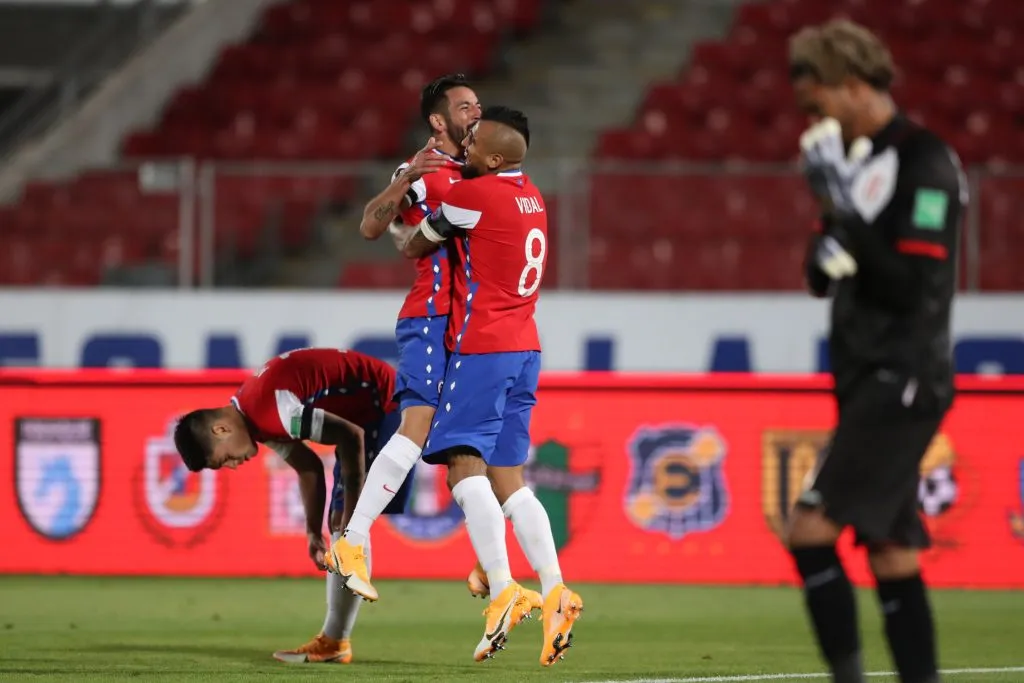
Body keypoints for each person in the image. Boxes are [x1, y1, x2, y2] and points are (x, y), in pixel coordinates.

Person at [328, 106, 583, 667]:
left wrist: (406, 213)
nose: (463, 149)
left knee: (462, 466)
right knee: (511, 482)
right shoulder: (533, 195)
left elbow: (415, 244)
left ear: (494, 159)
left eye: (474, 146)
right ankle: (557, 588)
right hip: (527, 347)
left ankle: (502, 589)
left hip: (484, 346)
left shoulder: (478, 196)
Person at [787, 19, 965, 683]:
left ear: (855, 86)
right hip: (867, 379)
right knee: (891, 549)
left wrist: (847, 222)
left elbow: (912, 284)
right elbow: (818, 274)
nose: (814, 122)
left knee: (809, 531)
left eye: (818, 104)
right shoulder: (856, 166)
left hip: (905, 375)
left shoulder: (923, 162)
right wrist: (831, 232)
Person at [173, 347, 412, 665]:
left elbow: (351, 436)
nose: (233, 466)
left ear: (221, 430)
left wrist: (354, 527)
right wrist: (313, 532)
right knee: (340, 521)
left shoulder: (272, 412)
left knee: (345, 521)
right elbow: (308, 467)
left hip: (384, 406)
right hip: (366, 413)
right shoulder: (253, 417)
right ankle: (334, 641)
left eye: (224, 459)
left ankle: (334, 642)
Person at [342, 73, 482, 576]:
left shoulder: (481, 170)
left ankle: (492, 565)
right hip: (431, 314)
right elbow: (371, 226)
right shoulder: (421, 171)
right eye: (465, 107)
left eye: (478, 105)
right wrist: (403, 180)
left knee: (473, 447)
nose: (476, 114)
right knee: (415, 427)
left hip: (472, 326)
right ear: (438, 121)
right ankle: (353, 537)